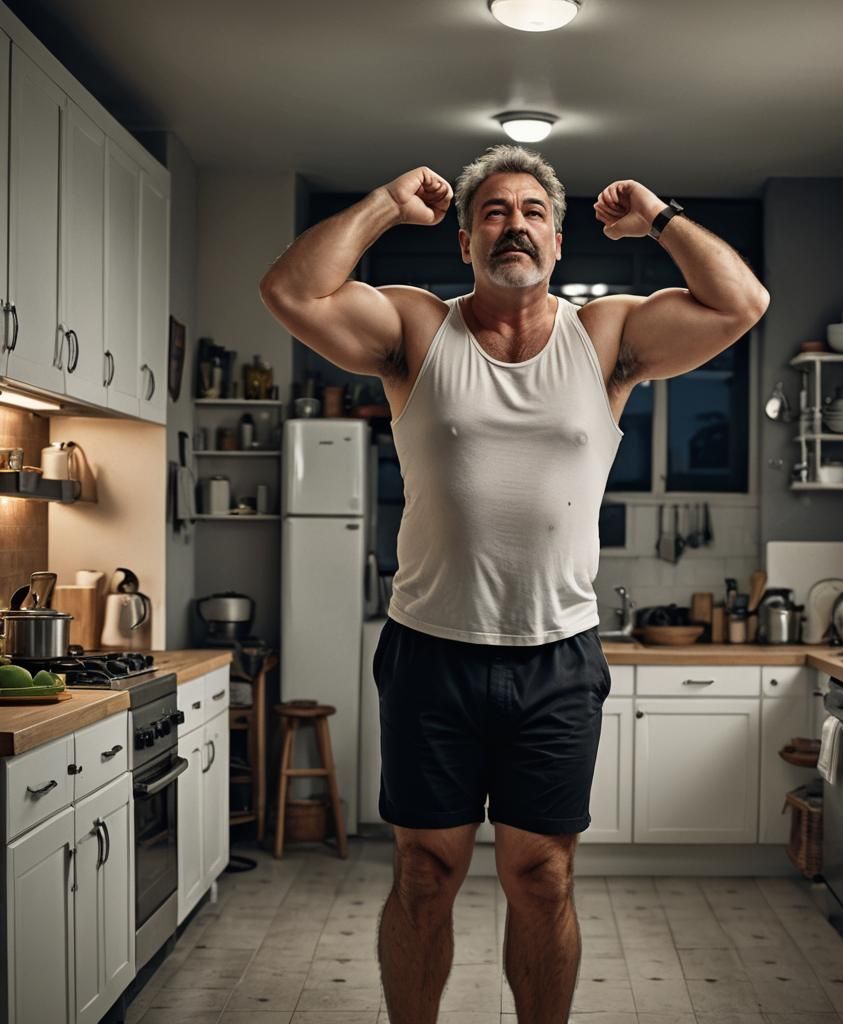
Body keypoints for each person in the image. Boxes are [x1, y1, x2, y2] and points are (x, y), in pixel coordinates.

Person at [259, 145, 769, 1024]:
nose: (515, 225)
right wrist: (383, 201)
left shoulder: (606, 336)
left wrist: (659, 218)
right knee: (424, 875)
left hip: (557, 659)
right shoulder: (417, 330)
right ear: (464, 241)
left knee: (542, 877)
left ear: (558, 243)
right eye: (494, 212)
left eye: (532, 211)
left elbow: (742, 303)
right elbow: (292, 292)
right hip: (430, 651)